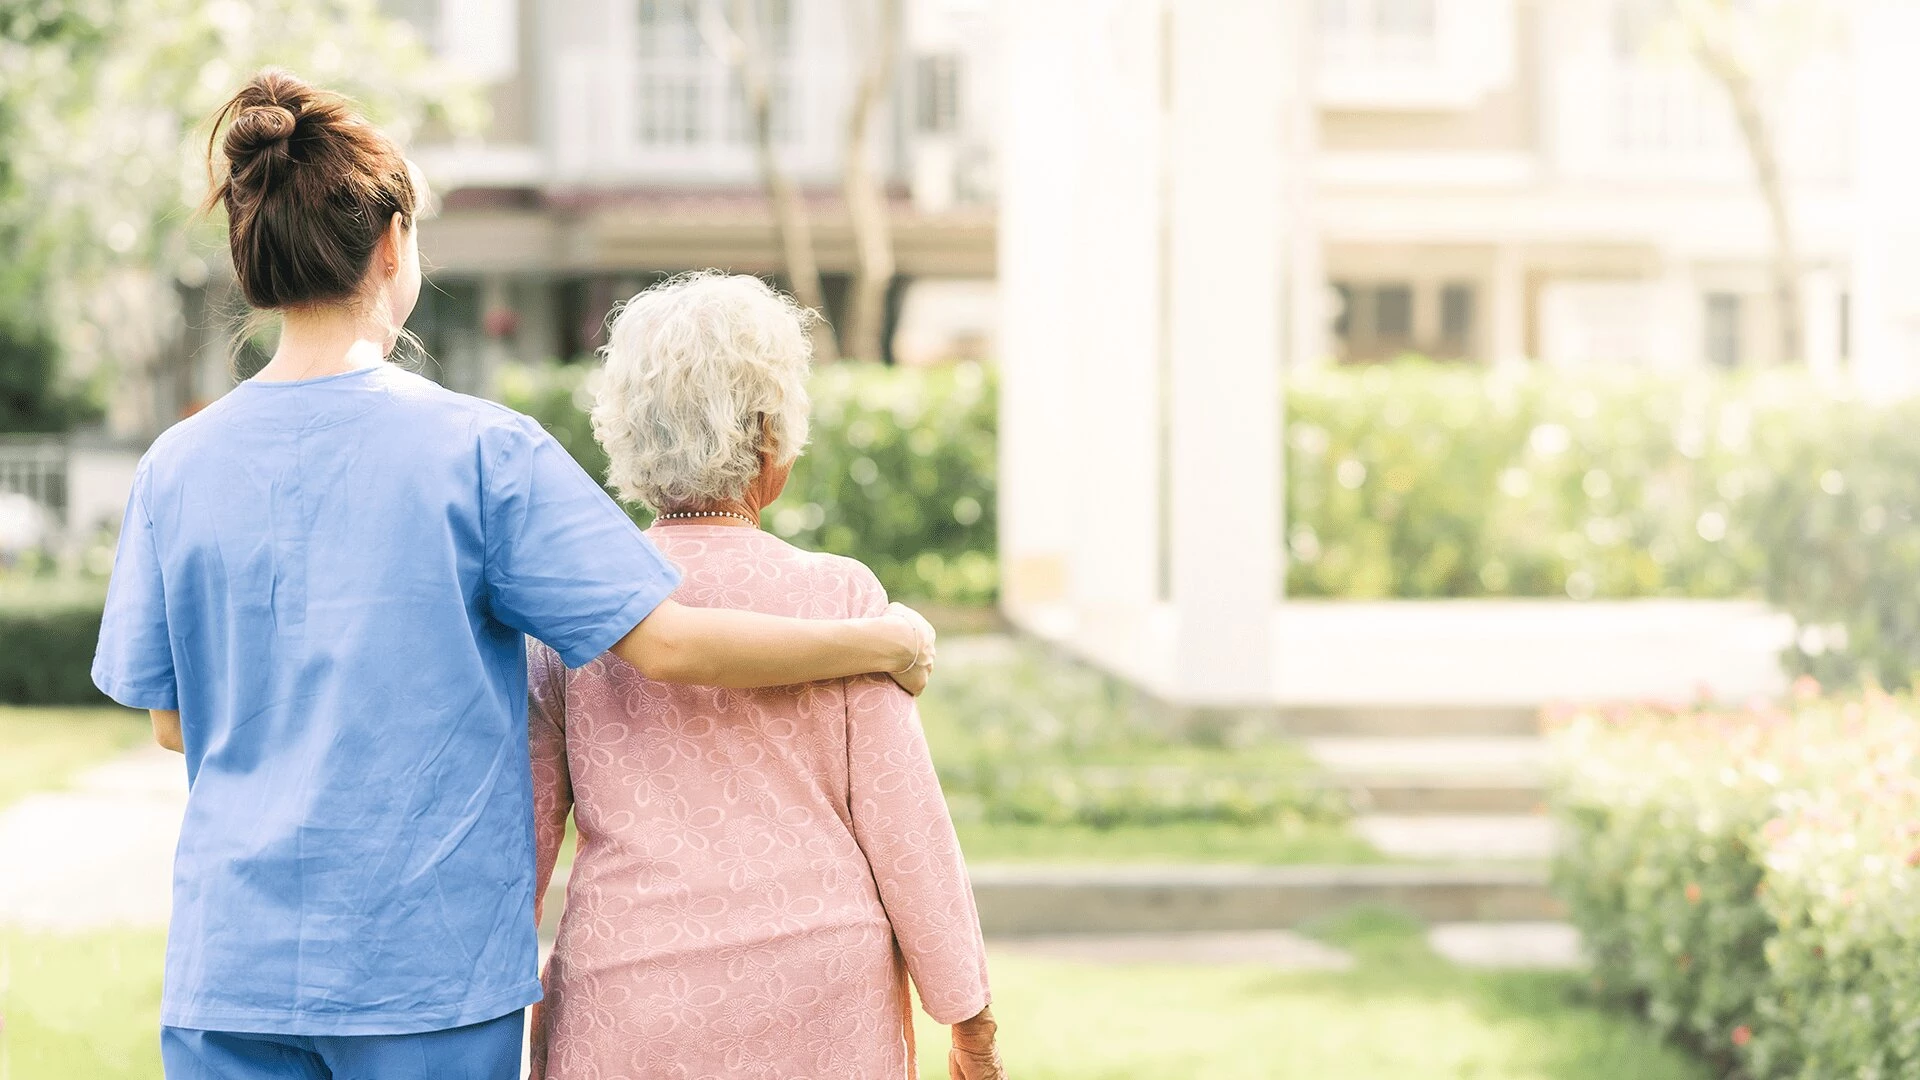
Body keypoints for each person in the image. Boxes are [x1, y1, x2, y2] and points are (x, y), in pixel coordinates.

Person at [89, 70, 938, 1080]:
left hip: (229, 973)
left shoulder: (173, 467)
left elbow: (173, 723)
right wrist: (876, 640)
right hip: (426, 982)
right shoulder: (483, 455)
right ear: (393, 243)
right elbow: (665, 642)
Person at [527, 272, 1004, 1080]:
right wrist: (970, 1020)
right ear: (768, 435)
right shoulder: (843, 600)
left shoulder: (579, 613)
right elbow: (908, 829)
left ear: (629, 434)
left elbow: (523, 840)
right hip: (822, 994)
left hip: (630, 995)